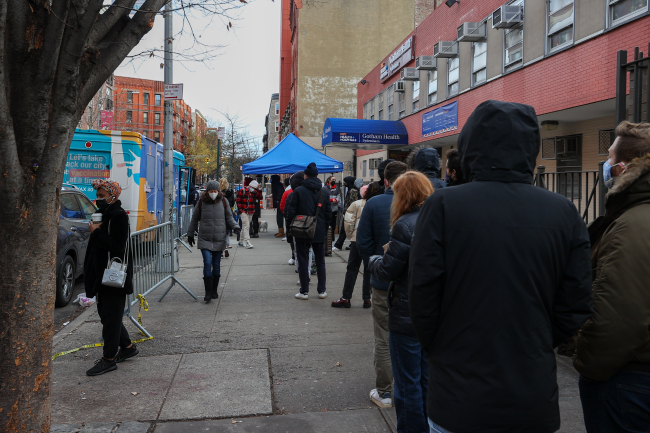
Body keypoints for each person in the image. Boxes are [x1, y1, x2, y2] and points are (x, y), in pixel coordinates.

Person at [408, 100, 593, 433]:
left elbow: (422, 294)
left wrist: (442, 346)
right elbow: (576, 301)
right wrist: (535, 338)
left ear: (470, 145)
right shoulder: (563, 211)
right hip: (531, 393)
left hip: (456, 392)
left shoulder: (444, 206)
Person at [573, 121, 650, 433]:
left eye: (609, 156)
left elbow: (621, 317)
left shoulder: (633, 226)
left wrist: (588, 365)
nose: (605, 164)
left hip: (629, 380)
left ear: (623, 167)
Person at [369, 171, 433, 433]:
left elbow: (387, 270)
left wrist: (374, 261)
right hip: (434, 314)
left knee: (408, 385)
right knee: (427, 381)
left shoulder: (404, 225)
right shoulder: (440, 220)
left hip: (407, 315)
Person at [357, 160, 408, 408]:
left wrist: (376, 264)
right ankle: (409, 384)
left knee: (384, 334)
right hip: (411, 283)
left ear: (385, 181)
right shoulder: (418, 206)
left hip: (381, 281)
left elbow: (363, 243)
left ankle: (385, 391)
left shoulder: (374, 204)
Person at [84, 179, 137, 376]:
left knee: (110, 318)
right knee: (109, 316)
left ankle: (108, 358)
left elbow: (118, 246)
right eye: (97, 196)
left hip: (114, 276)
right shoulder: (104, 214)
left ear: (112, 196)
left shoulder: (118, 216)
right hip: (102, 275)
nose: (98, 199)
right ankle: (128, 347)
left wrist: (96, 233)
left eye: (102, 196)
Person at [187, 180, 239, 302]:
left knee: (216, 265)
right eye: (211, 191)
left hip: (219, 238)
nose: (213, 193)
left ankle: (214, 290)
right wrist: (190, 234)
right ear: (207, 191)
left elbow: (229, 218)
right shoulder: (201, 202)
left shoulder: (224, 202)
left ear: (219, 191)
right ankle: (208, 292)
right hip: (205, 238)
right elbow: (194, 219)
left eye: (215, 191)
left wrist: (236, 227)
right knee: (207, 262)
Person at [285, 162, 331, 300]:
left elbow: (290, 213)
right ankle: (322, 290)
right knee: (320, 262)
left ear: (305, 176)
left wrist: (289, 230)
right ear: (317, 176)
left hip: (302, 230)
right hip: (319, 229)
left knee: (303, 260)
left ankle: (304, 291)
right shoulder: (324, 192)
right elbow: (328, 214)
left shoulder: (298, 191)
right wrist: (324, 229)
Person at [331, 183, 381, 309]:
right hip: (374, 240)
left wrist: (351, 235)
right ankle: (367, 298)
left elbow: (348, 222)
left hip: (357, 239)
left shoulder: (357, 204)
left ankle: (346, 297)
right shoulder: (380, 204)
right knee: (369, 269)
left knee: (352, 268)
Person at [333, 177, 362, 250]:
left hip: (350, 213)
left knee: (344, 229)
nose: (344, 183)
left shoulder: (352, 191)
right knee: (348, 229)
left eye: (345, 182)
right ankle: (349, 244)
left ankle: (338, 245)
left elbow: (352, 203)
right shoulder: (352, 190)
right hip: (350, 213)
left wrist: (348, 212)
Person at [281, 173, 302, 265]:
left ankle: (296, 259)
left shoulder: (289, 193)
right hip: (311, 224)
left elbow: (283, 207)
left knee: (296, 244)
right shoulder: (318, 192)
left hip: (295, 223)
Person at [236, 178, 261, 249]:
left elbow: (260, 197)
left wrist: (259, 190)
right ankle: (247, 241)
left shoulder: (253, 192)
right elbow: (238, 201)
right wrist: (241, 210)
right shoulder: (242, 191)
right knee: (246, 226)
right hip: (244, 211)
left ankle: (241, 240)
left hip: (250, 211)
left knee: (245, 226)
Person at [220, 178, 234, 257]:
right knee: (226, 232)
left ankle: (222, 249)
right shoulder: (230, 192)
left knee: (219, 232)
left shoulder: (218, 193)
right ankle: (226, 245)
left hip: (219, 212)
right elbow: (232, 202)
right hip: (228, 212)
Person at [326, 176, 341, 248]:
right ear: (329, 180)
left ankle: (332, 240)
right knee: (327, 225)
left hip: (334, 210)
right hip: (327, 209)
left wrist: (335, 200)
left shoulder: (337, 189)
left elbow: (338, 198)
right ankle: (327, 240)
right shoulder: (325, 188)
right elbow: (325, 198)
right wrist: (332, 200)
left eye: (335, 179)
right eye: (332, 179)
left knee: (333, 225)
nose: (334, 181)